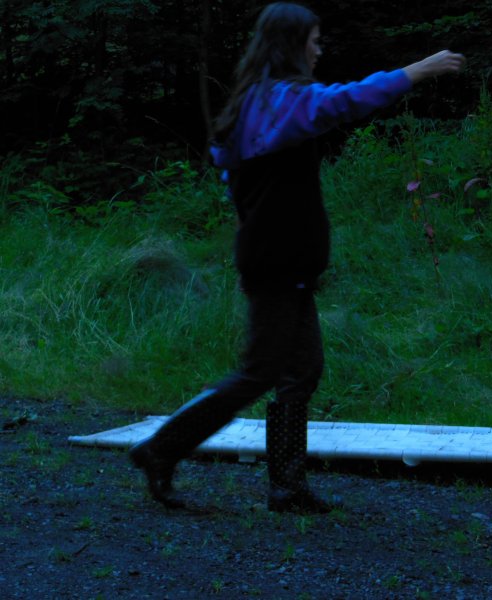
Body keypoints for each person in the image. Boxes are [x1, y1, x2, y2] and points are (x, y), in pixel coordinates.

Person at [130, 2, 465, 513]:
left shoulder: (255, 103)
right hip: (277, 259)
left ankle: (286, 487)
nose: (318, 50)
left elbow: (231, 176)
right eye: (313, 40)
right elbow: (343, 101)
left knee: (301, 369)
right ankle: (162, 448)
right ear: (291, 45)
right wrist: (418, 70)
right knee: (261, 371)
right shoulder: (279, 103)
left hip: (282, 258)